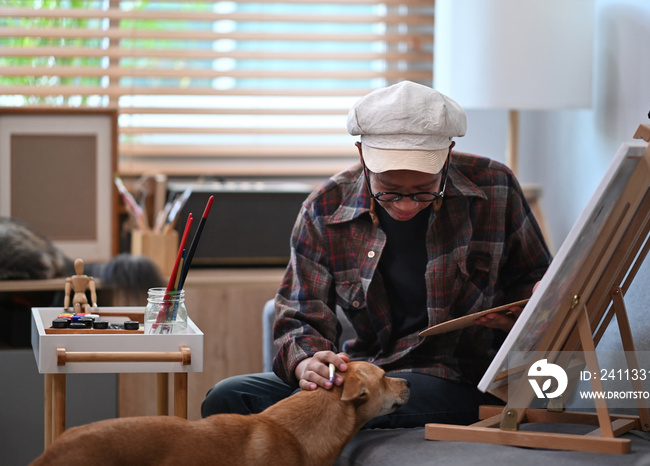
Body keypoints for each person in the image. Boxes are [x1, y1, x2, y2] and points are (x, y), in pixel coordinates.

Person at [201, 81, 551, 428]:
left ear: (448, 154)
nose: (406, 204)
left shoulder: (495, 187)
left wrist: (522, 313)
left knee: (336, 412)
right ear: (361, 155)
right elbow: (300, 312)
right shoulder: (325, 208)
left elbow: (536, 282)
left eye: (423, 191)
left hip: (459, 376)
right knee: (227, 398)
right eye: (389, 191)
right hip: (367, 368)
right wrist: (307, 361)